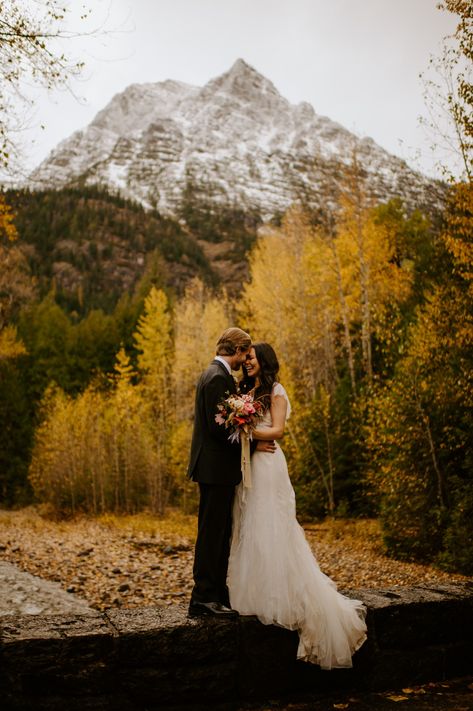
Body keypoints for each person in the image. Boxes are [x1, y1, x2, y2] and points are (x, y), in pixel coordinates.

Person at [227, 342, 367, 668]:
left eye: (251, 358)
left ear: (264, 360)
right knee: (251, 525)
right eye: (245, 358)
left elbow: (278, 430)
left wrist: (248, 430)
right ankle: (256, 593)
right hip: (252, 464)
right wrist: (244, 432)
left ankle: (287, 598)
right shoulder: (246, 390)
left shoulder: (276, 390)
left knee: (272, 525)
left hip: (269, 466)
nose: (247, 362)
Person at [187, 327, 275, 618]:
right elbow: (219, 428)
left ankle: (215, 592)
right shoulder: (217, 378)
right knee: (212, 533)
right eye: (244, 353)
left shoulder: (216, 375)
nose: (244, 360)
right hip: (215, 469)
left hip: (217, 470)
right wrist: (252, 446)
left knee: (220, 532)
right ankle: (203, 597)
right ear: (236, 351)